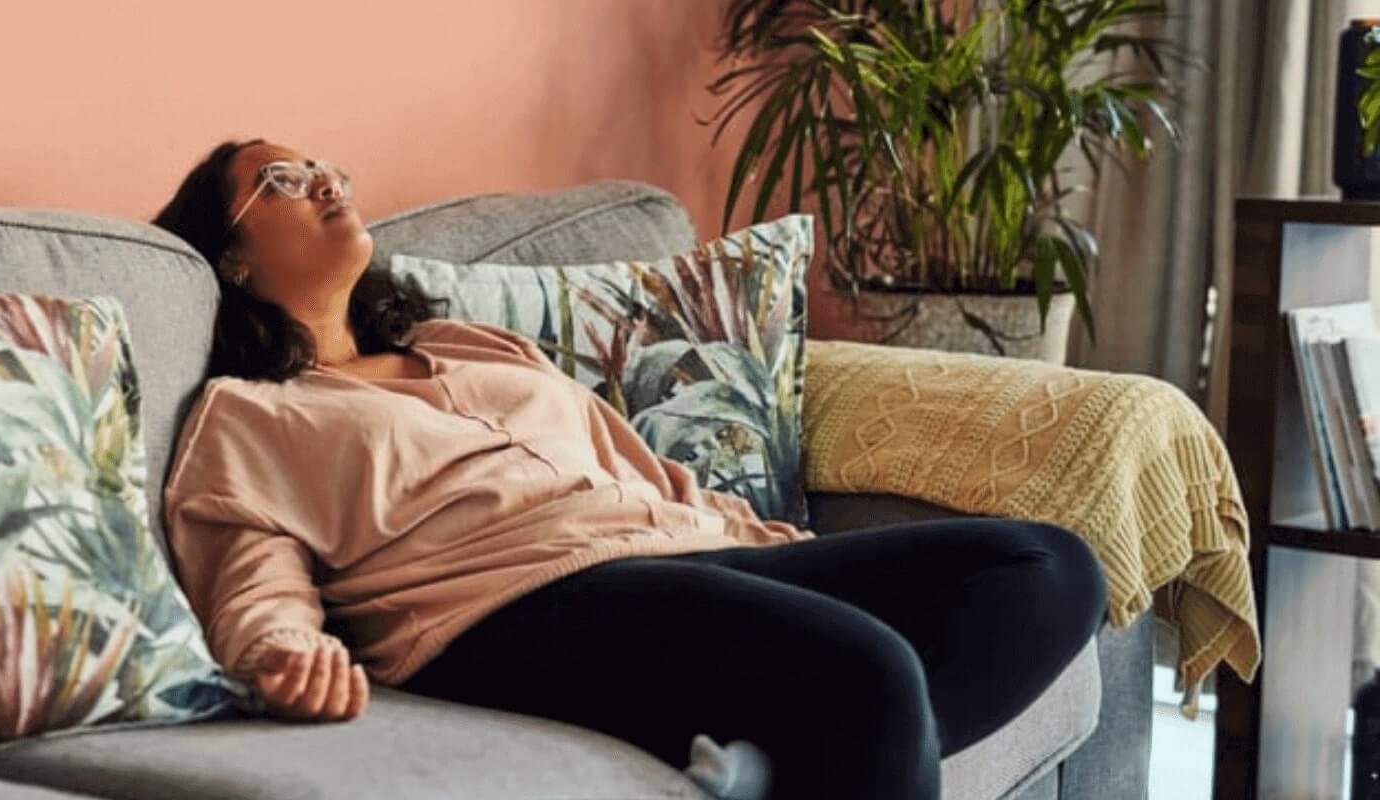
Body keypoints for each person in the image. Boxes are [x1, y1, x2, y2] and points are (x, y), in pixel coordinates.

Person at [152, 139, 1108, 800]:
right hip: (510, 611)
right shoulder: (251, 415)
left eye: (326, 166)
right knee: (869, 675)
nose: (325, 181)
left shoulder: (471, 346)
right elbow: (252, 579)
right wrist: (282, 656)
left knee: (1047, 570)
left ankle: (793, 769)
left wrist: (780, 549)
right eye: (282, 179)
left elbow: (640, 471)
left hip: (677, 556)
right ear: (230, 258)